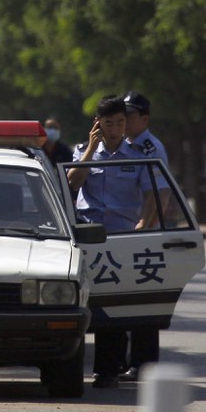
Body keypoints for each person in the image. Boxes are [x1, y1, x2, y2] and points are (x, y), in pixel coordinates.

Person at [67, 96, 160, 388]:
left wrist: (144, 224)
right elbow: (72, 183)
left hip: (121, 238)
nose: (116, 128)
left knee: (113, 307)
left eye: (121, 122)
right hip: (88, 236)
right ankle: (72, 366)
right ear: (98, 124)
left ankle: (106, 372)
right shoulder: (84, 151)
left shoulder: (138, 154)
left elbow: (151, 195)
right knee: (80, 304)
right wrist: (91, 148)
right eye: (109, 123)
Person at [119, 91, 169, 382]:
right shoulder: (122, 144)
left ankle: (144, 364)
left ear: (145, 119)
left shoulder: (150, 148)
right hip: (119, 233)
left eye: (131, 115)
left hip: (140, 235)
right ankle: (120, 362)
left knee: (142, 302)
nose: (125, 120)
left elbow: (159, 194)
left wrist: (144, 226)